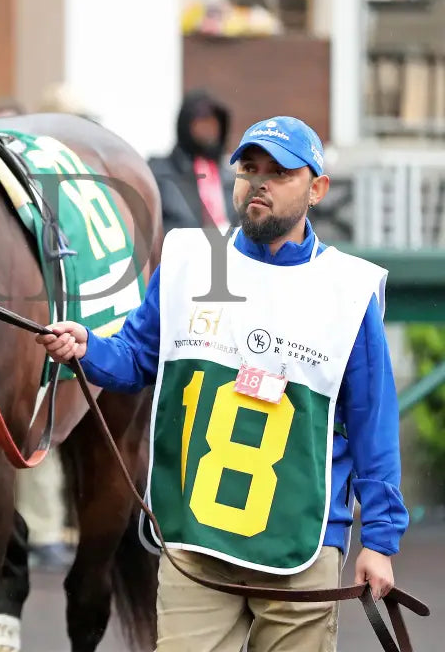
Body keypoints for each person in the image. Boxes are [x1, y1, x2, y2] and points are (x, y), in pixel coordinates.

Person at [37, 116, 408, 651]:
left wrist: (379, 541)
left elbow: (374, 425)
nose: (259, 182)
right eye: (249, 168)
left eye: (280, 173)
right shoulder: (189, 259)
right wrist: (88, 347)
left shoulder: (349, 290)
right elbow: (137, 358)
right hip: (194, 536)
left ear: (318, 188)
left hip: (301, 544)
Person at [148, 88, 239, 236]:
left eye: (214, 123)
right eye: (202, 122)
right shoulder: (159, 173)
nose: (209, 129)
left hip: (224, 255)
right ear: (186, 124)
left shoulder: (231, 178)